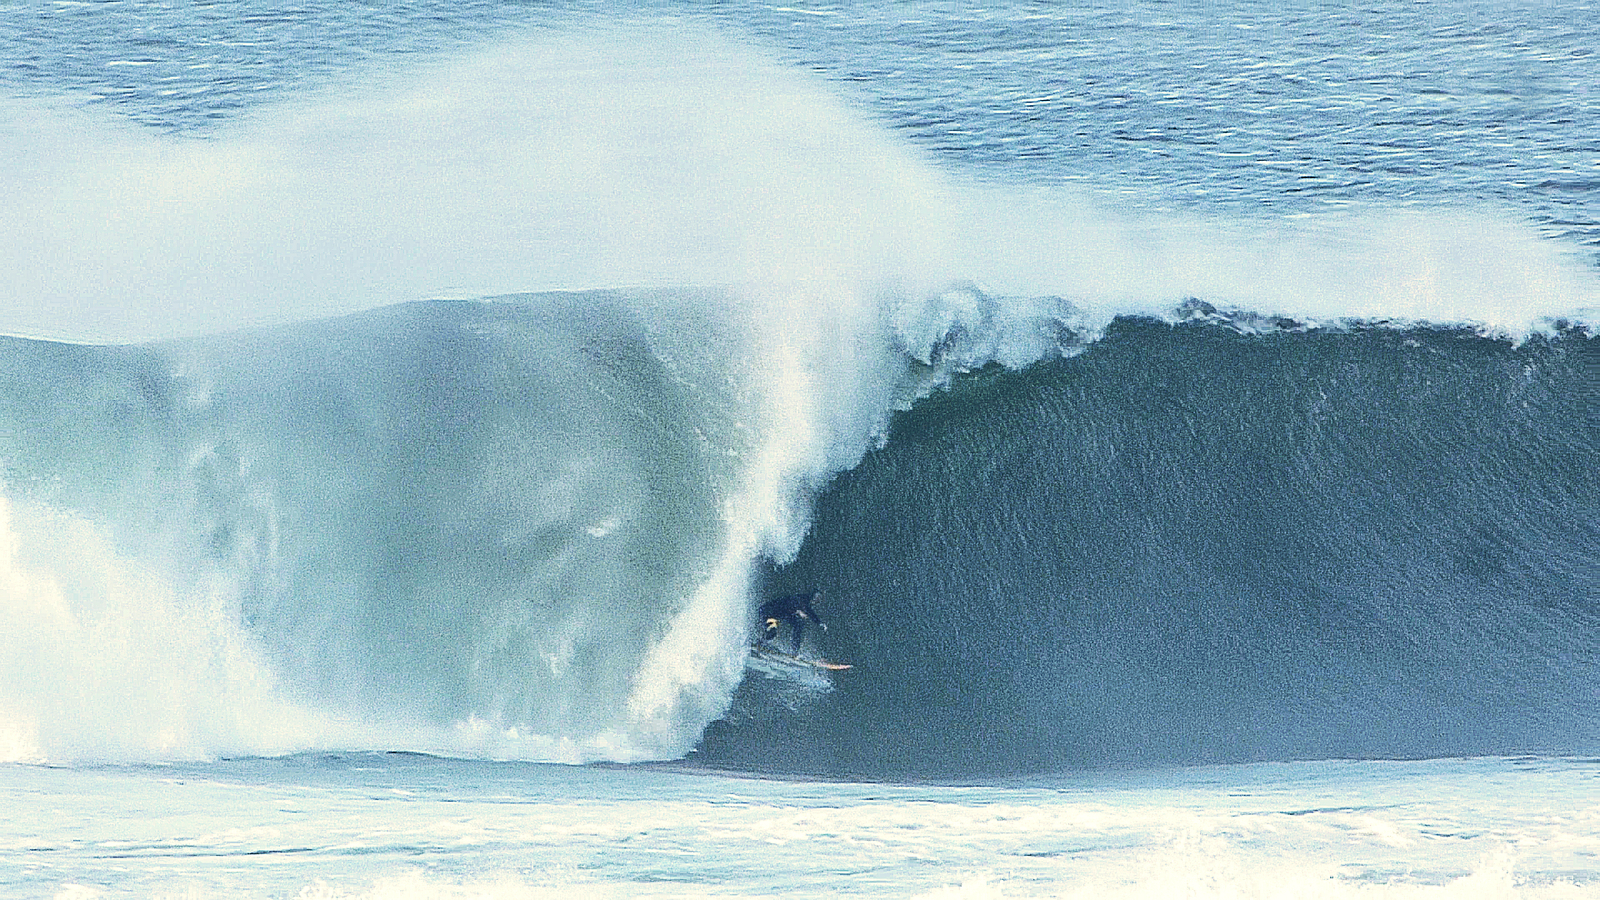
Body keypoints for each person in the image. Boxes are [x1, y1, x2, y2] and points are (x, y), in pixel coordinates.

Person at [756, 591, 824, 656]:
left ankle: (795, 650)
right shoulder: (800, 599)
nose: (818, 601)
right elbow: (791, 603)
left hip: (779, 614)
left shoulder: (806, 603)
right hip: (768, 612)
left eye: (820, 599)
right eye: (818, 598)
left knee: (798, 625)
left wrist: (820, 623)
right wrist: (798, 611)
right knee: (772, 632)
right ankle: (760, 644)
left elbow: (811, 613)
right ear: (813, 596)